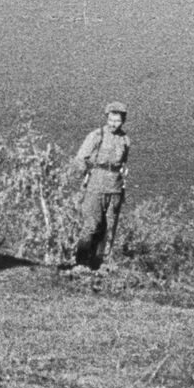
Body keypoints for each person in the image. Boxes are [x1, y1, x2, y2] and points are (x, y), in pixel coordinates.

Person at [70, 101, 132, 268]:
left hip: (115, 188)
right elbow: (80, 158)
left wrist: (122, 188)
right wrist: (82, 175)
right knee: (91, 225)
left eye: (117, 121)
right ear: (106, 117)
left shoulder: (125, 140)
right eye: (111, 120)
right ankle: (81, 263)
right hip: (96, 186)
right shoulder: (96, 135)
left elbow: (123, 164)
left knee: (108, 229)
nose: (113, 124)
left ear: (123, 120)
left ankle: (98, 264)